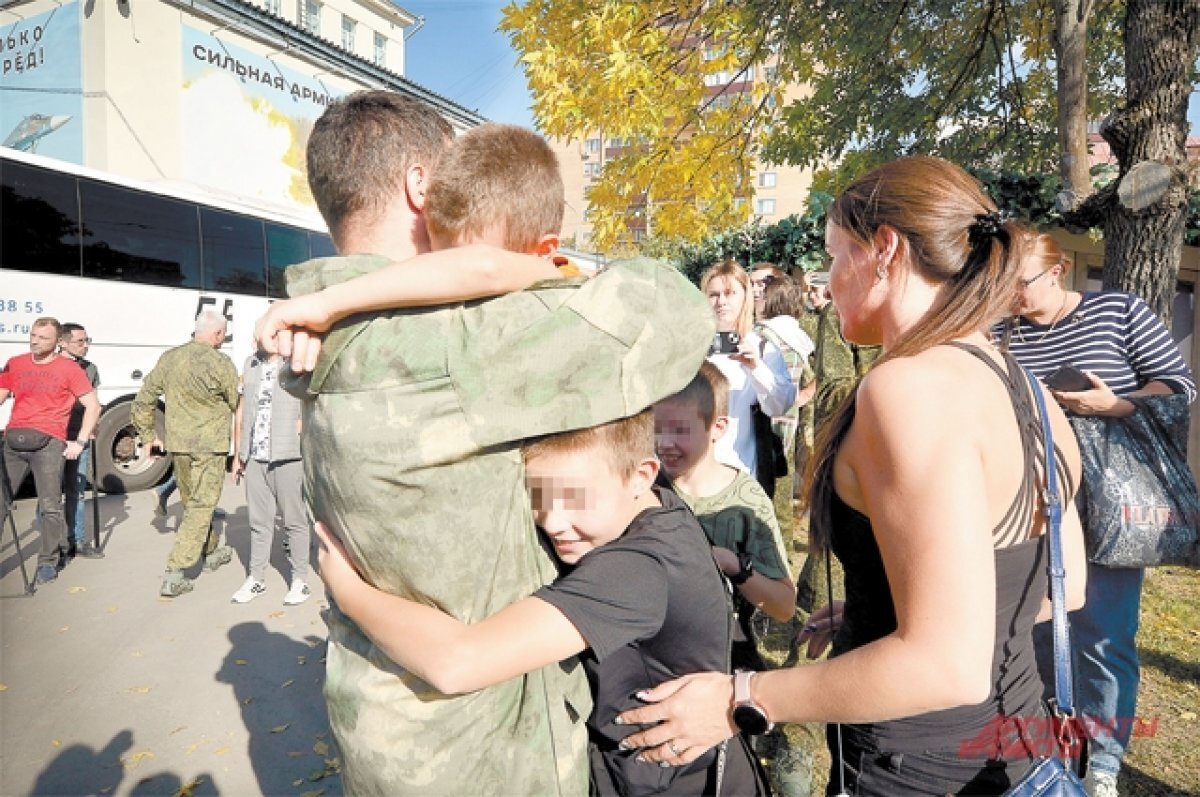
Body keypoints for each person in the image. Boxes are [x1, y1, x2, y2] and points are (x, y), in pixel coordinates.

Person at [254, 93, 714, 796]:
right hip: (491, 751)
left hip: (378, 721)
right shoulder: (460, 339)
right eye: (453, 178)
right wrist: (538, 265)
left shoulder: (319, 342)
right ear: (419, 187)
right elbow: (675, 309)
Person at [613, 156, 1092, 797]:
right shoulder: (1027, 387)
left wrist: (741, 695)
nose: (831, 281)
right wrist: (887, 605)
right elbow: (1065, 586)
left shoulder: (908, 387)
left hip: (920, 770)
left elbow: (948, 664)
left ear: (885, 249)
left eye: (835, 256)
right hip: (1020, 748)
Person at [312, 411, 768, 797]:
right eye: (539, 498)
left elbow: (456, 663)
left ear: (641, 474)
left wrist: (348, 591)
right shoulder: (651, 503)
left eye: (574, 500)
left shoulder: (636, 570)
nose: (554, 522)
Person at [1001, 232, 1196, 797]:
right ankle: (1045, 746)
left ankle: (1104, 758)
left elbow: (1180, 387)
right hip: (1032, 503)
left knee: (1104, 636)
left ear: (1059, 270)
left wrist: (1114, 404)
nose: (1014, 295)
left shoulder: (1118, 311)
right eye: (1005, 284)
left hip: (1109, 503)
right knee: (1034, 628)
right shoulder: (1001, 331)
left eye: (1024, 282)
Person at [654, 362, 796, 671]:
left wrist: (733, 566)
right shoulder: (645, 488)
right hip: (652, 655)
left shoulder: (746, 502)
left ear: (717, 428)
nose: (664, 443)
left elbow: (784, 605)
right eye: (657, 429)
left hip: (723, 658)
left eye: (679, 430)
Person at [132, 310, 239, 598]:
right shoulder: (221, 362)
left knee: (193, 503)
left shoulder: (170, 358)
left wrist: (147, 435)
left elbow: (144, 399)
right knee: (202, 506)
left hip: (179, 444)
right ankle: (175, 572)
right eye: (223, 335)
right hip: (210, 446)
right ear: (217, 334)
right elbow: (236, 403)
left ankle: (212, 551)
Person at [0, 318, 101, 585]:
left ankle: (47, 561)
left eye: (42, 338)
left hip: (50, 444)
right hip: (13, 441)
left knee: (50, 506)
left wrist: (78, 443)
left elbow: (93, 406)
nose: (34, 341)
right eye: (32, 335)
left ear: (57, 342)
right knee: (0, 504)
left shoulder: (70, 368)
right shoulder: (16, 362)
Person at [701, 261, 795, 495]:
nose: (721, 301)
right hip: (694, 475)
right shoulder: (694, 348)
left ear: (746, 297)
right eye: (713, 295)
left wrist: (756, 367)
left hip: (742, 475)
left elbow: (781, 405)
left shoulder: (763, 348)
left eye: (730, 293)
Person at [230, 349, 310, 605]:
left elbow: (311, 402)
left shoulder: (297, 363)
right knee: (259, 522)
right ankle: (256, 578)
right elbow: (241, 411)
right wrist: (238, 453)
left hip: (288, 455)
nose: (256, 338)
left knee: (294, 520)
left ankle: (299, 580)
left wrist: (302, 431)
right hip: (255, 456)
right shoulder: (250, 362)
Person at [59, 323, 103, 559]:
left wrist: (93, 426)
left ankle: (77, 540)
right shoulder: (52, 365)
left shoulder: (90, 368)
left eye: (87, 341)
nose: (85, 346)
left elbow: (95, 400)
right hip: (54, 436)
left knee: (76, 490)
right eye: (80, 342)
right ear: (62, 342)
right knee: (51, 495)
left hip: (79, 434)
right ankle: (53, 544)